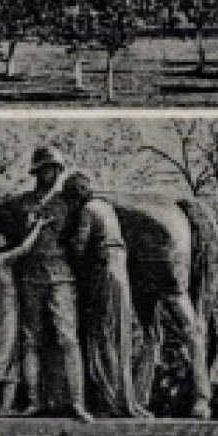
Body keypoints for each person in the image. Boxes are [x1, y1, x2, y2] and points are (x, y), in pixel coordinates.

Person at [12, 147, 92, 423]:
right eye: (49, 169)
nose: (54, 174)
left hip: (62, 278)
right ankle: (34, 402)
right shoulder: (22, 203)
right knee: (30, 340)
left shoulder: (68, 203)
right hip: (30, 278)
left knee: (69, 339)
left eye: (57, 169)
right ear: (37, 171)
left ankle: (77, 403)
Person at [61, 173, 151, 419]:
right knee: (120, 337)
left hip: (102, 271)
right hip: (120, 272)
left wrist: (65, 246)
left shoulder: (87, 211)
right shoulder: (106, 207)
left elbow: (80, 246)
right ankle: (125, 397)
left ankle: (110, 399)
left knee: (102, 335)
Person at [0, 218, 51, 417]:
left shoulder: (1, 260)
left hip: (11, 310)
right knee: (2, 354)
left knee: (12, 357)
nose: (2, 237)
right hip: (6, 312)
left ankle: (6, 407)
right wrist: (38, 226)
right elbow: (24, 248)